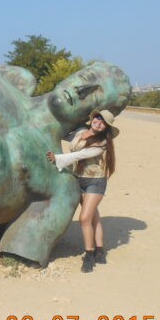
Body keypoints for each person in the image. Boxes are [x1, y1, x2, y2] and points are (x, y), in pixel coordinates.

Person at [47, 109, 119, 273]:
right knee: (94, 216)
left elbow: (79, 155)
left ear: (106, 128)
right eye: (98, 118)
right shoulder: (80, 132)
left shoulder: (101, 144)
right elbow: (63, 134)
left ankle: (89, 254)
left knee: (84, 218)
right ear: (93, 118)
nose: (99, 123)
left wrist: (57, 158)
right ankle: (100, 249)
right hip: (78, 178)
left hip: (95, 181)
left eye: (103, 123)